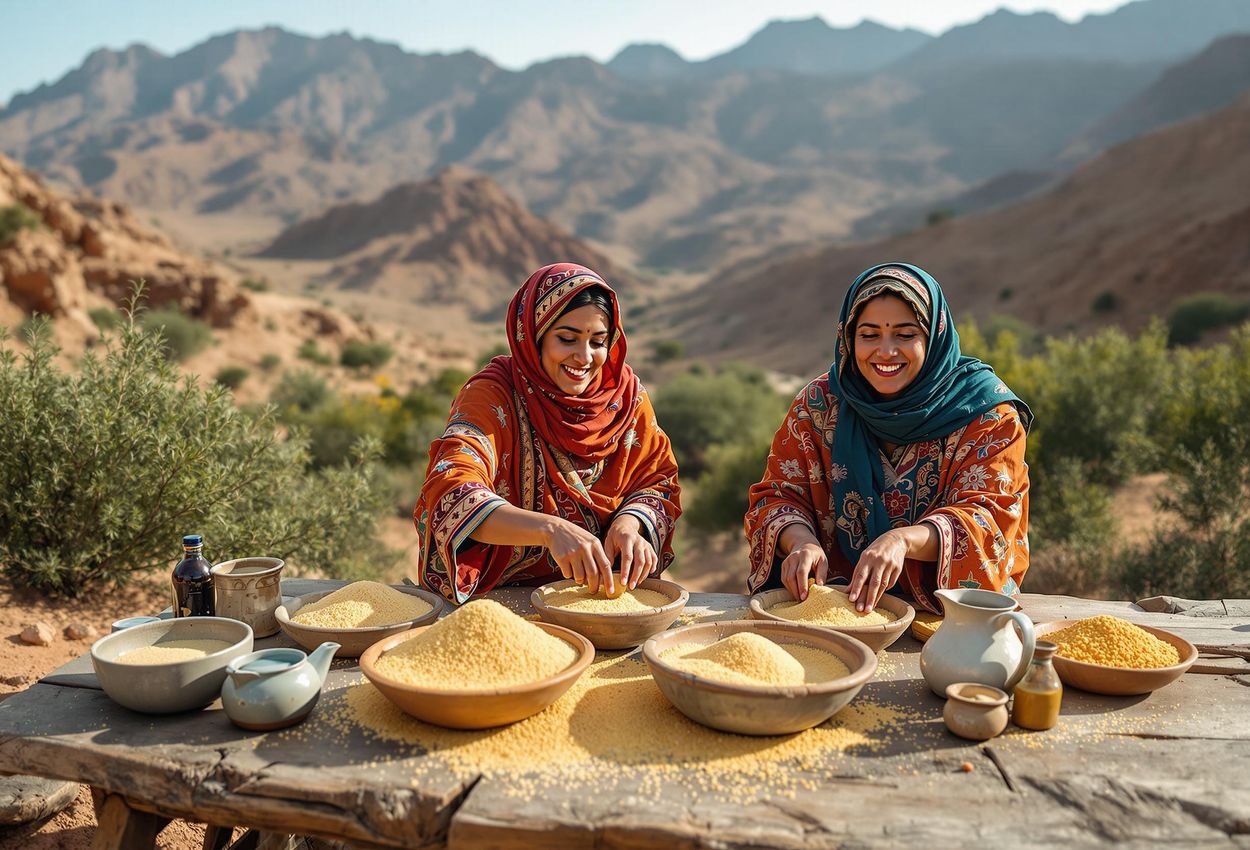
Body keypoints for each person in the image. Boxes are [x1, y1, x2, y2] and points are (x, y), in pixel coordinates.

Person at [744, 262, 1031, 615]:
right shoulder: (818, 406)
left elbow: (989, 519)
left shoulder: (987, 416)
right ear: (848, 339)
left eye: (905, 334)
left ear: (934, 336)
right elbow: (776, 498)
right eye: (869, 335)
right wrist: (801, 541)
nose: (885, 351)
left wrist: (901, 540)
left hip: (946, 620)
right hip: (836, 613)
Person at [414, 263, 681, 604]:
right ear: (532, 335)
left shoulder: (626, 398)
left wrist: (629, 523)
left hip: (598, 598)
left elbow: (657, 481)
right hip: (499, 600)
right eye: (567, 339)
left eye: (598, 342)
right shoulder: (493, 395)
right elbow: (452, 487)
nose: (584, 357)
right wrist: (551, 530)